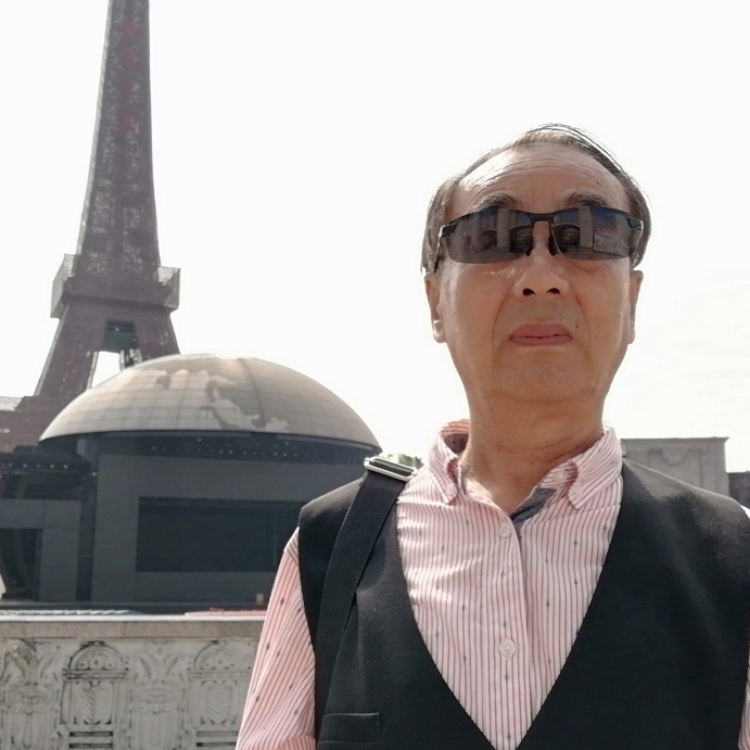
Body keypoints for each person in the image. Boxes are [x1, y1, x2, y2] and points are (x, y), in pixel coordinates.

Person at [235, 124, 750, 750]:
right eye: (492, 236)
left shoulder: (733, 556)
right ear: (435, 302)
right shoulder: (332, 548)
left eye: (588, 233)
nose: (541, 275)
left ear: (632, 299)